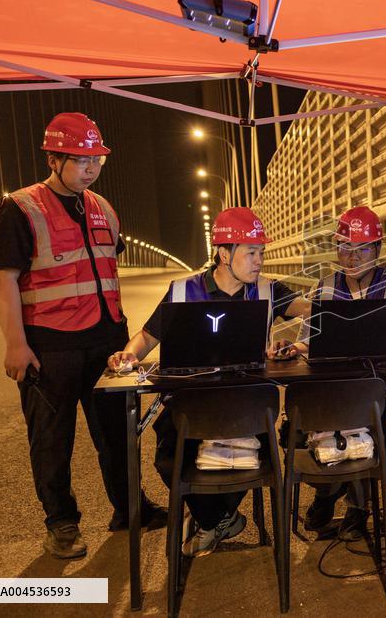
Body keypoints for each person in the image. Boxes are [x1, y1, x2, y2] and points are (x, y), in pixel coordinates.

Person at [0, 112, 165, 560]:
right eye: (82, 159)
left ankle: (130, 508)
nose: (91, 168)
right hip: (50, 345)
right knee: (52, 439)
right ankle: (62, 524)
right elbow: (5, 279)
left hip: (108, 341)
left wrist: (125, 346)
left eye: (97, 160)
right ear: (54, 158)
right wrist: (15, 343)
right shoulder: (20, 208)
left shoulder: (103, 207)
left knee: (118, 433)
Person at [108, 207, 310, 557]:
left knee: (253, 454)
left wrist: (296, 344)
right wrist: (129, 355)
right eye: (252, 253)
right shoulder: (183, 290)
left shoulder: (269, 290)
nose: (260, 260)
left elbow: (313, 310)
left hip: (248, 404)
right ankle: (217, 518)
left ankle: (210, 520)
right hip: (192, 404)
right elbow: (147, 336)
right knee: (169, 457)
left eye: (261, 252)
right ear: (224, 253)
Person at [286, 205, 386, 540]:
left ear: (378, 248)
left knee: (359, 415)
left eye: (361, 249)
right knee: (300, 421)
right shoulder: (323, 289)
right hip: (329, 384)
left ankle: (357, 506)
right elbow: (306, 341)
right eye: (345, 247)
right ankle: (328, 491)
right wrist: (292, 349)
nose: (352, 257)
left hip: (373, 387)